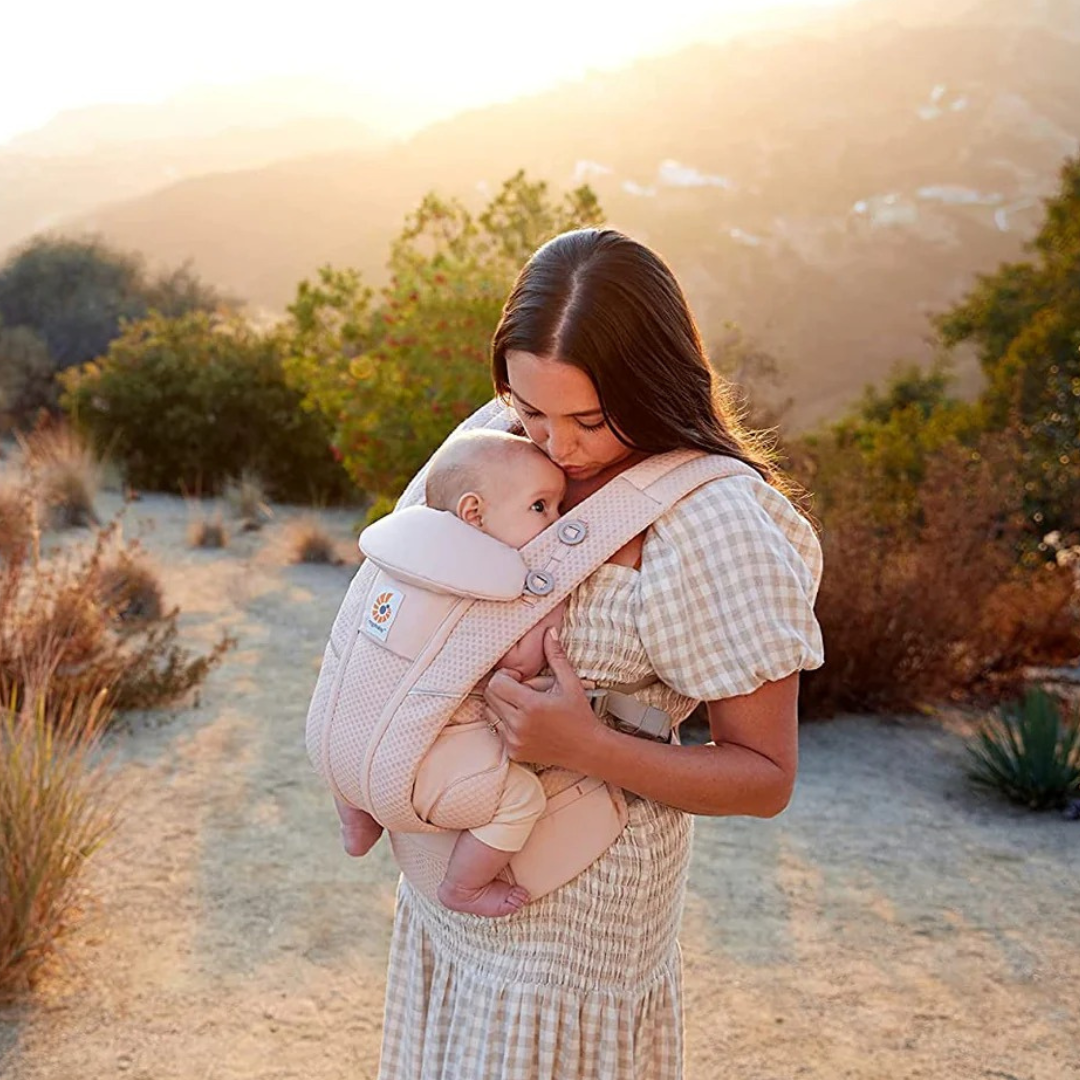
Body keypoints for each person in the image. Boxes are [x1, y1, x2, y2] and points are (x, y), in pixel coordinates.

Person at [366, 228, 824, 1080]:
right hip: (451, 884)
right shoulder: (497, 438)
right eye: (531, 407)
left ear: (653, 382)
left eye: (588, 417)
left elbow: (767, 777)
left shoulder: (714, 523)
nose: (556, 447)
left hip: (579, 923)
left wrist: (585, 746)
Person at [334, 429, 569, 917]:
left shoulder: (399, 556)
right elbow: (520, 663)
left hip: (334, 741)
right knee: (521, 798)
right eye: (542, 507)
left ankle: (356, 820)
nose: (558, 520)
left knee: (349, 735)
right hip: (416, 764)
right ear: (474, 514)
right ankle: (463, 886)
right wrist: (551, 612)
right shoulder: (490, 582)